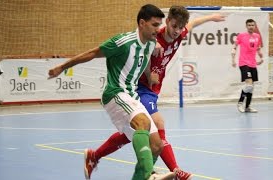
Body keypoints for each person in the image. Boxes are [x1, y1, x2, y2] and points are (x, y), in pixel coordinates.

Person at [84, 6, 225, 180]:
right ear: (167, 22)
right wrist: (152, 50)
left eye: (181, 27)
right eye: (174, 26)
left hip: (152, 90)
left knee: (132, 134)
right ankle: (172, 170)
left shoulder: (180, 34)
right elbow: (137, 42)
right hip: (138, 87)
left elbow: (194, 23)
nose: (177, 31)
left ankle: (94, 156)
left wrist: (211, 17)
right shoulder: (153, 37)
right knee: (157, 122)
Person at [48, 4, 175, 180]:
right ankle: (148, 175)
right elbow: (92, 53)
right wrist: (62, 66)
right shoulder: (122, 42)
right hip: (115, 94)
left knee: (156, 145)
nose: (158, 29)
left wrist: (150, 74)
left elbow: (142, 62)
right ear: (142, 23)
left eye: (159, 25)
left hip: (132, 96)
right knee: (143, 122)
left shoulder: (151, 43)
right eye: (154, 24)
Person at [231, 19, 264, 113]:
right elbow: (234, 47)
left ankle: (247, 107)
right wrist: (233, 60)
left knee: (251, 87)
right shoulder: (241, 36)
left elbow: (258, 48)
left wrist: (261, 58)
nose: (251, 27)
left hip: (253, 64)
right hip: (244, 63)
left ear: (255, 26)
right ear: (246, 26)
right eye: (249, 25)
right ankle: (240, 103)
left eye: (252, 25)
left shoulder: (257, 36)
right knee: (249, 85)